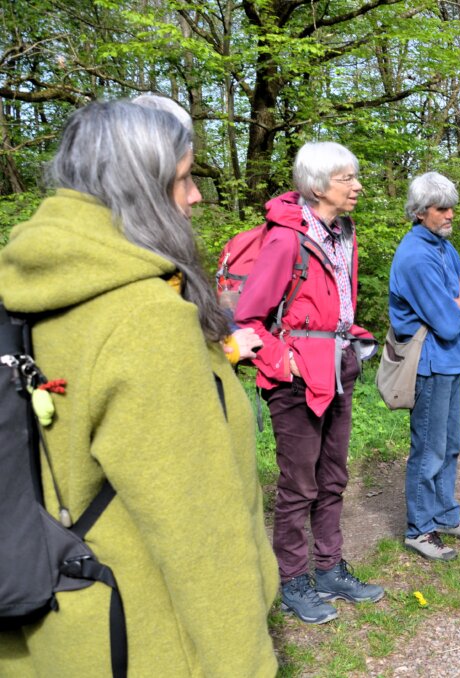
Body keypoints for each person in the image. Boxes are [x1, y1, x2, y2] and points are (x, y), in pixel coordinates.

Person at [0, 101, 278, 675]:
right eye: (183, 179)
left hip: (48, 626)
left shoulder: (25, 288)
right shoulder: (144, 320)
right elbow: (198, 531)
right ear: (139, 191)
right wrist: (244, 664)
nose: (197, 196)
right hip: (140, 638)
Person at [234, 141, 384, 625]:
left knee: (333, 478)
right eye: (348, 178)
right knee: (298, 485)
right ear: (319, 186)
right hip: (296, 379)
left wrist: (351, 341)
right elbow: (247, 319)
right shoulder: (286, 240)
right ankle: (293, 579)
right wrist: (287, 363)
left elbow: (333, 307)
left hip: (337, 368)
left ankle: (329, 568)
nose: (358, 186)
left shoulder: (343, 232)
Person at [389, 171, 460, 561]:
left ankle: (445, 515)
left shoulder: (445, 248)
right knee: (428, 450)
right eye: (441, 208)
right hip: (427, 365)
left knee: (450, 446)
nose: (450, 215)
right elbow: (447, 322)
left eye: (452, 207)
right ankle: (420, 530)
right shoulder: (415, 255)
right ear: (419, 211)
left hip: (449, 361)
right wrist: (458, 304)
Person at [130, 93, 263, 365]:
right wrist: (227, 351)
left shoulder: (161, 259)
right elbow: (160, 367)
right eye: (184, 178)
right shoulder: (131, 270)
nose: (196, 195)